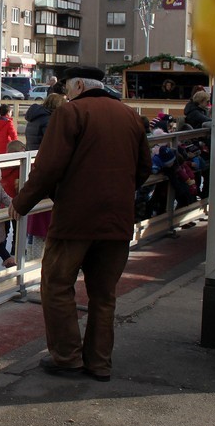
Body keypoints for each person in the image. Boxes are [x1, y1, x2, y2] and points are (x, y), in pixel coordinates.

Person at [8, 66, 150, 380]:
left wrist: (21, 203)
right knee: (104, 294)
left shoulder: (71, 114)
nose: (66, 95)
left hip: (76, 219)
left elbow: (48, 168)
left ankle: (67, 357)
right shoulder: (130, 116)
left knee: (57, 285)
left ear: (80, 86)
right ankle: (100, 363)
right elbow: (143, 170)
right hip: (117, 220)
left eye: (68, 89)